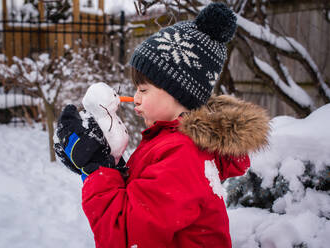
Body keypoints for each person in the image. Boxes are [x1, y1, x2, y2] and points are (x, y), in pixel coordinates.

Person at [54, 2, 270, 248]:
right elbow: (141, 196)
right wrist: (107, 164)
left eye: (143, 89)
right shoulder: (170, 142)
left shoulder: (182, 155)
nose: (135, 98)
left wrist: (96, 169)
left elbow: (126, 234)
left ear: (179, 93)